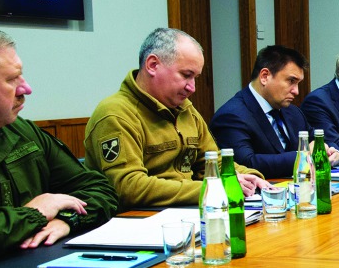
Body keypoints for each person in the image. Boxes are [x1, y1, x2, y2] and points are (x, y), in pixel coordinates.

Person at [0, 21, 117, 257]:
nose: (26, 88)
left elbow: (98, 188)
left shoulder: (19, 131)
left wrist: (67, 221)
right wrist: (36, 213)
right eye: (12, 79)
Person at [85, 28, 266, 208]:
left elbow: (212, 162)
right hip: (140, 219)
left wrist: (251, 177)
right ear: (153, 65)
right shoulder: (115, 114)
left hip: (188, 209)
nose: (192, 88)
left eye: (196, 77)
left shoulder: (185, 109)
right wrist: (211, 189)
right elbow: (129, 188)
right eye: (186, 75)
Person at [209, 45, 339, 178]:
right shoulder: (231, 116)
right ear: (265, 76)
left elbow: (319, 141)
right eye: (291, 81)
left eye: (298, 83)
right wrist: (303, 156)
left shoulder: (293, 112)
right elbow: (246, 164)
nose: (296, 91)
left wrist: (332, 152)